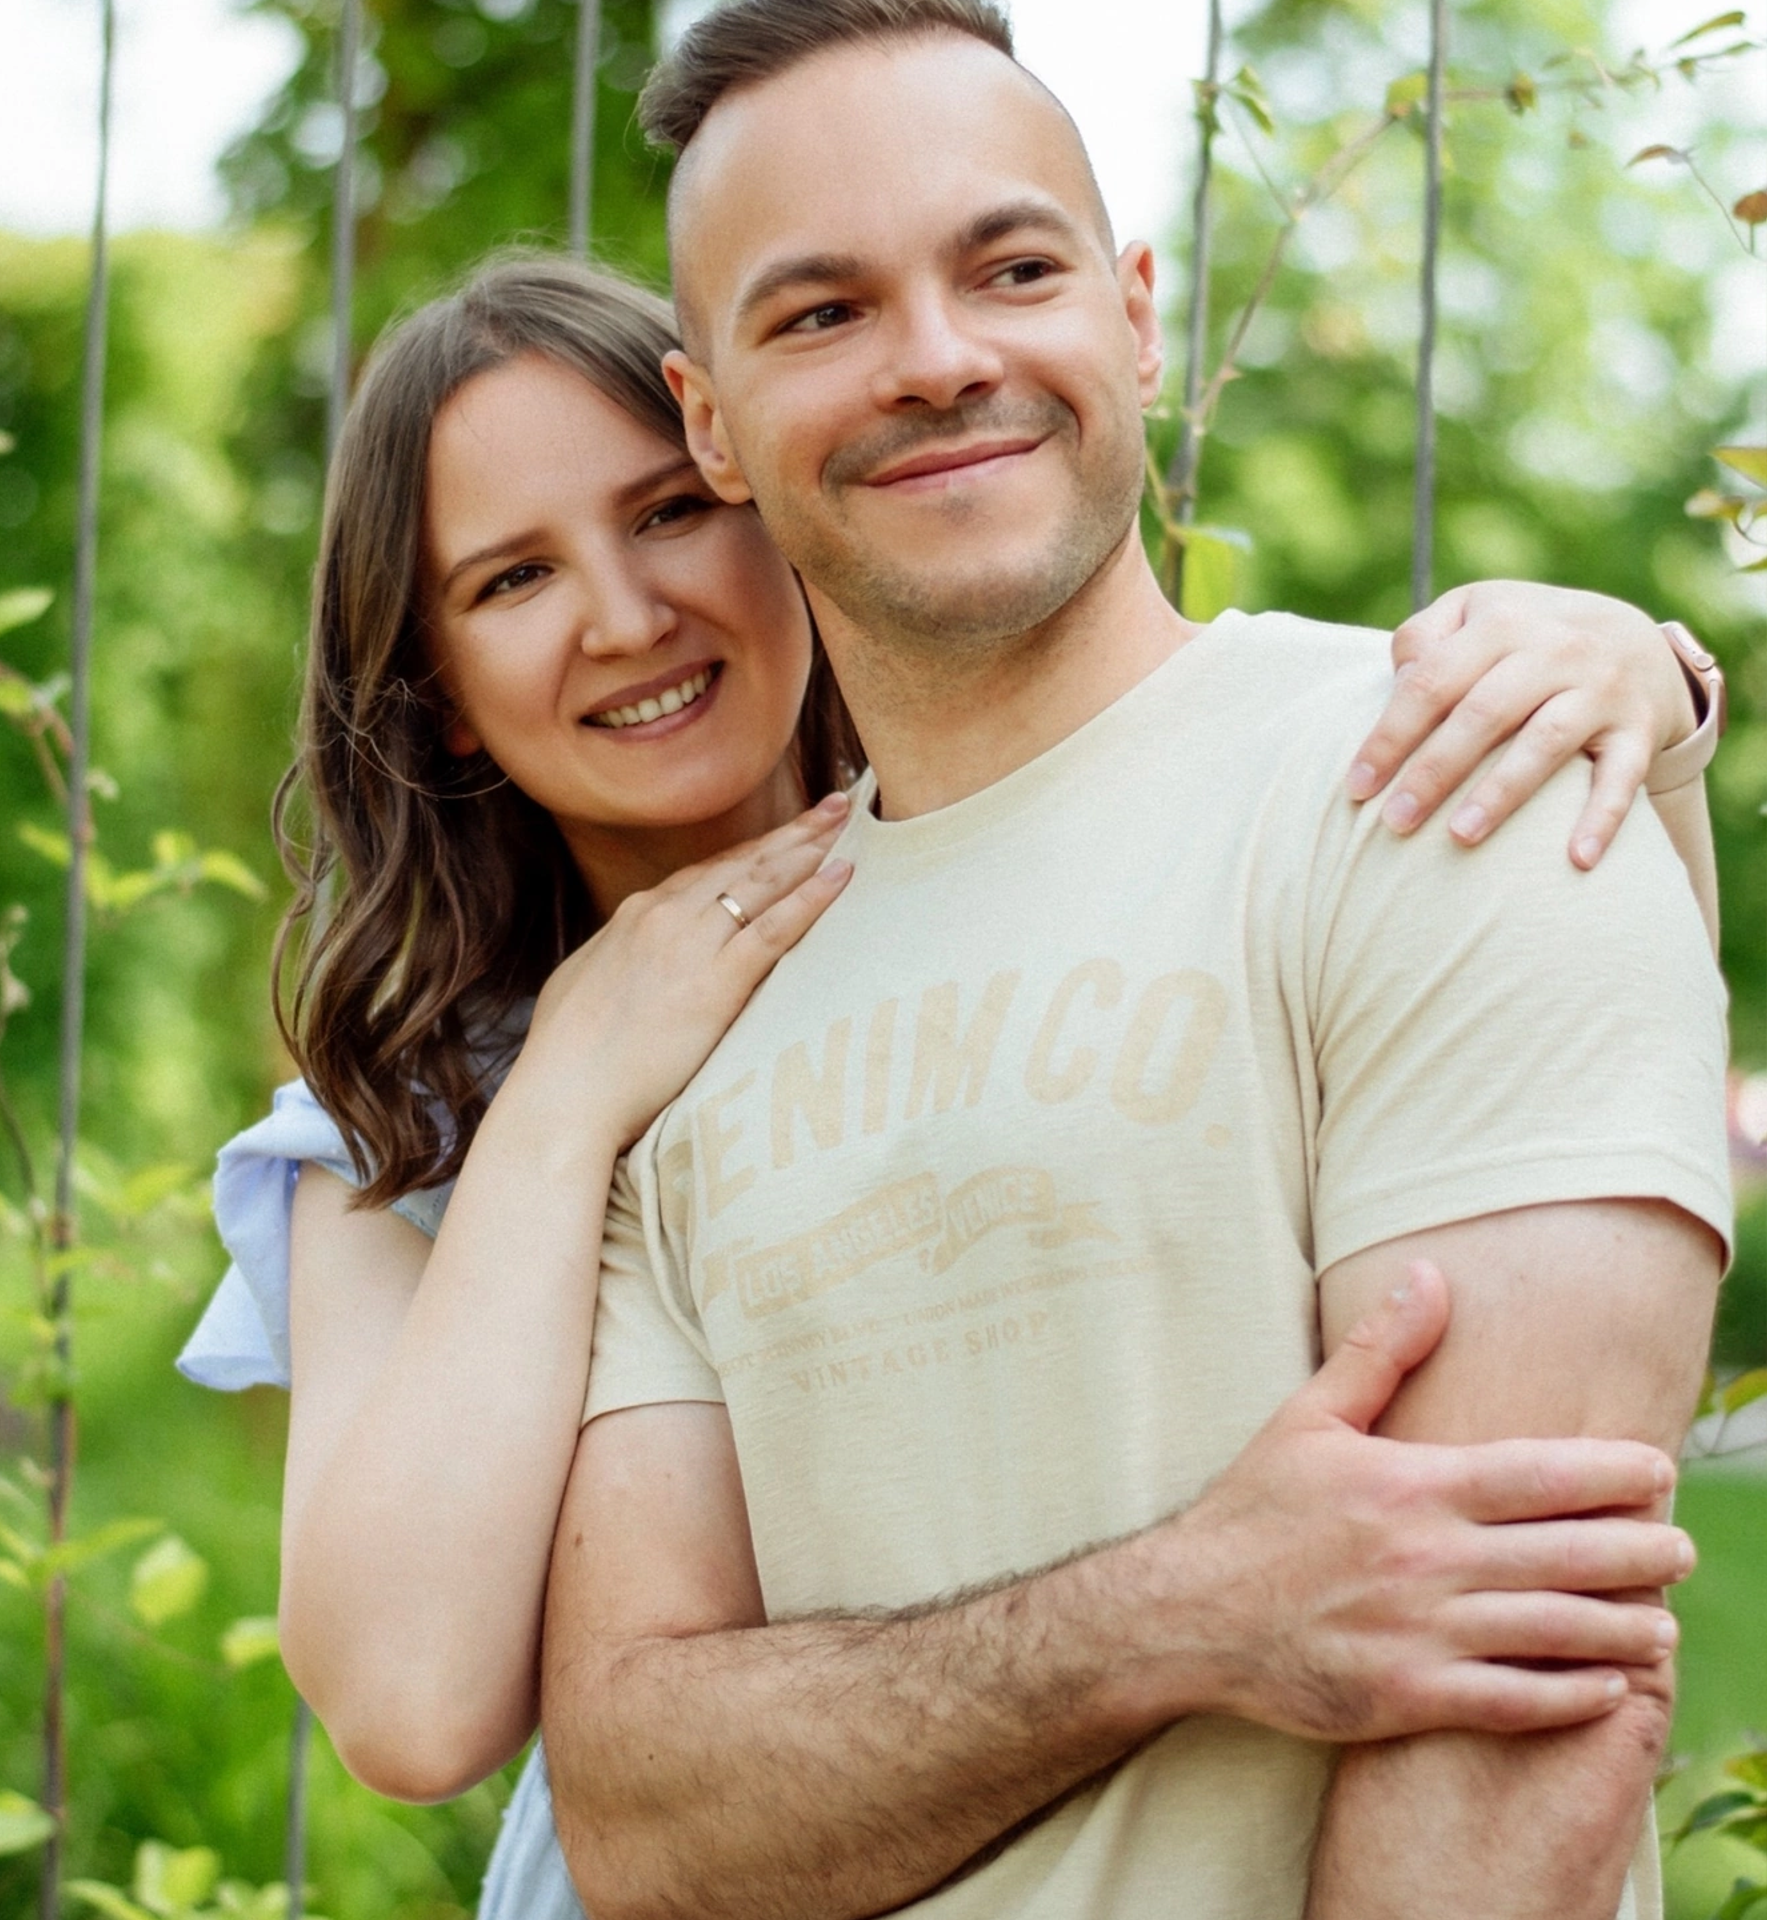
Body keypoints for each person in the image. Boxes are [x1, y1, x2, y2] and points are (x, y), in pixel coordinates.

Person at [175, 257, 1721, 1920]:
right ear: (444, 695)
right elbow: (407, 1704)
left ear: (766, 491)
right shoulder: (396, 1129)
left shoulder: (1101, 860)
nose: (625, 616)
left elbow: (1573, 1098)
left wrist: (1634, 695)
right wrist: (571, 1088)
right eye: (512, 580)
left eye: (665, 518)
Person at [533, 6, 1733, 1920]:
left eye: (1010, 268)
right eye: (820, 313)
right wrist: (1176, 1615)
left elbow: (1516, 1735)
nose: (939, 362)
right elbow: (648, 1815)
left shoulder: (1457, 774)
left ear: (1138, 311)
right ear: (708, 424)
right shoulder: (687, 1003)